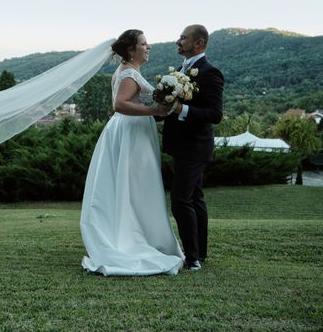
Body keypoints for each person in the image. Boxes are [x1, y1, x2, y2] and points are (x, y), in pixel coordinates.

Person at [80, 29, 184, 276]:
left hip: (129, 131)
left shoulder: (128, 71)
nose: (148, 47)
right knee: (135, 185)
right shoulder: (128, 73)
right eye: (144, 43)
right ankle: (133, 238)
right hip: (130, 134)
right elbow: (120, 104)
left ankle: (135, 232)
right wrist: (155, 111)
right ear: (130, 50)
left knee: (131, 186)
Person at [162, 25, 224, 271]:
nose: (178, 41)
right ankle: (200, 253)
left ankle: (192, 258)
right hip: (179, 146)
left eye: (183, 38)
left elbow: (215, 114)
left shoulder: (211, 73)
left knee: (180, 200)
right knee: (195, 198)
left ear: (199, 43)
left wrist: (181, 109)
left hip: (195, 148)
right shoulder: (179, 71)